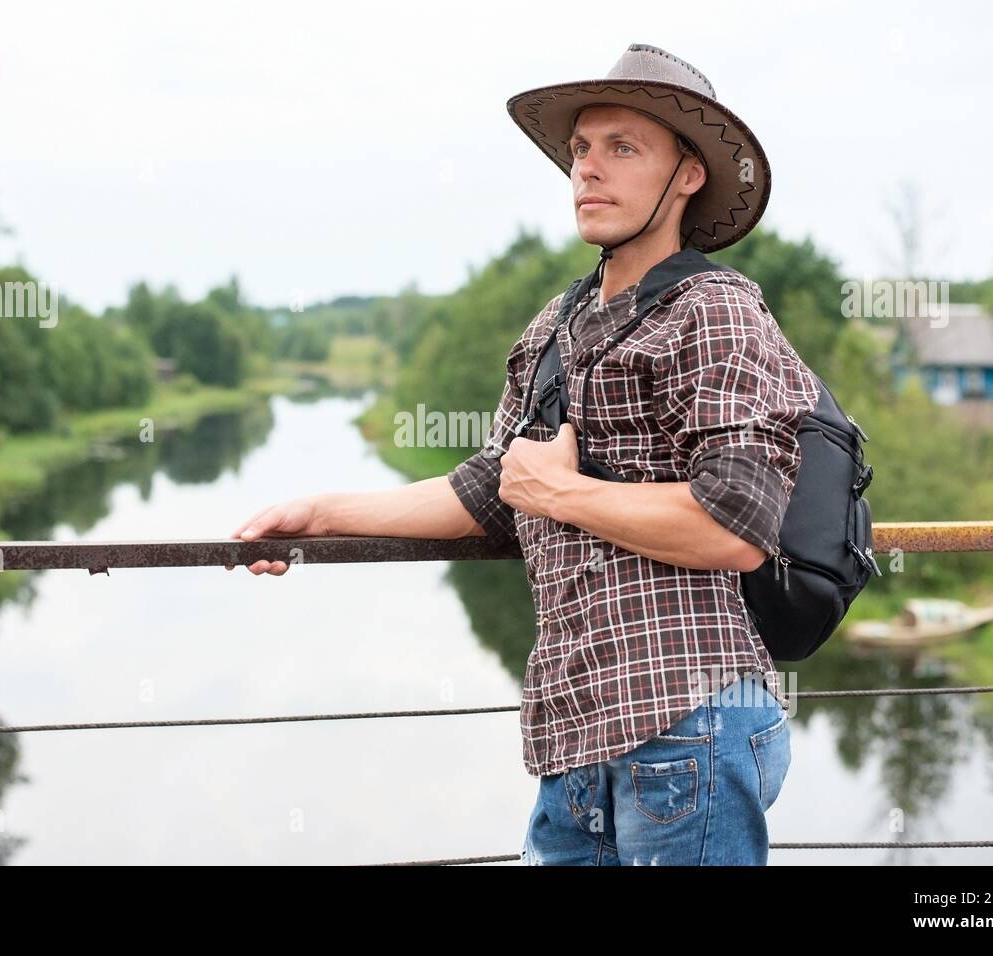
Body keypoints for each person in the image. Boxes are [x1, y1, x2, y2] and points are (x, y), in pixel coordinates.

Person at [229, 43, 820, 865]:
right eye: (581, 149)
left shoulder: (715, 312)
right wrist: (319, 514)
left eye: (623, 148)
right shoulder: (556, 324)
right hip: (571, 736)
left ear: (688, 175)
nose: (588, 170)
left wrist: (563, 494)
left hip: (688, 723)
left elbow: (735, 526)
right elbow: (489, 491)